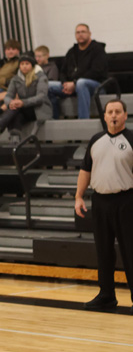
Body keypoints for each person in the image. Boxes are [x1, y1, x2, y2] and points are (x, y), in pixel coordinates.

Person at [75, 99, 133, 313]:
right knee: (103, 251)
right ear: (105, 116)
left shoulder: (131, 139)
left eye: (118, 111)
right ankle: (106, 295)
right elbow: (85, 170)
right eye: (110, 112)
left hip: (126, 200)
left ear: (125, 115)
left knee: (130, 251)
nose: (114, 115)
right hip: (100, 201)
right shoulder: (96, 140)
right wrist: (78, 196)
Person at [0, 53, 52, 142]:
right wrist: (10, 102)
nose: (24, 66)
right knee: (16, 112)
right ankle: (15, 140)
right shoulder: (15, 79)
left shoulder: (41, 77)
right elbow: (8, 96)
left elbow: (41, 97)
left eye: (27, 64)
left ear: (32, 65)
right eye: (22, 64)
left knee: (17, 108)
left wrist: (23, 102)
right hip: (22, 109)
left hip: (38, 109)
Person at [48, 24, 108, 119]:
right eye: (78, 32)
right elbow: (63, 71)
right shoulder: (72, 51)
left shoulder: (98, 49)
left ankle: (83, 121)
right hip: (72, 86)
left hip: (96, 85)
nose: (80, 34)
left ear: (89, 33)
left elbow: (96, 72)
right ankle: (54, 118)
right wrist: (65, 83)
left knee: (81, 83)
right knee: (48, 85)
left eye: (83, 32)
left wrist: (74, 83)